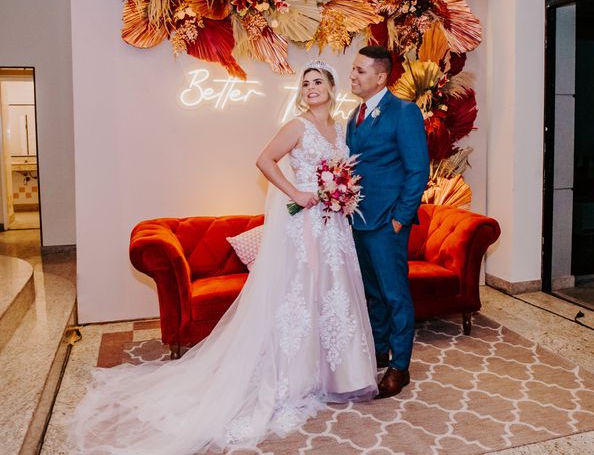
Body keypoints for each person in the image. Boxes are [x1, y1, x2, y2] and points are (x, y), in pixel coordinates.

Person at [69, 60, 378, 454]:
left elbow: (343, 171)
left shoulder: (341, 128)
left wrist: (341, 192)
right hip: (304, 227)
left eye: (318, 82)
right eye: (306, 83)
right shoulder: (296, 126)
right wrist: (297, 192)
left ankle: (335, 375)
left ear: (332, 88)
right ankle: (293, 378)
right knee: (298, 298)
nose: (311, 88)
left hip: (333, 226)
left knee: (331, 297)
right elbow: (264, 161)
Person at [347, 45, 430, 399]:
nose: (353, 75)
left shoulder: (404, 112)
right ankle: (381, 351)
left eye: (360, 71)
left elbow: (417, 172)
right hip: (359, 220)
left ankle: (400, 367)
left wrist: (399, 220)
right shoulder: (355, 115)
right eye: (353, 69)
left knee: (395, 295)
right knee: (373, 294)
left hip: (386, 224)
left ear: (381, 76)